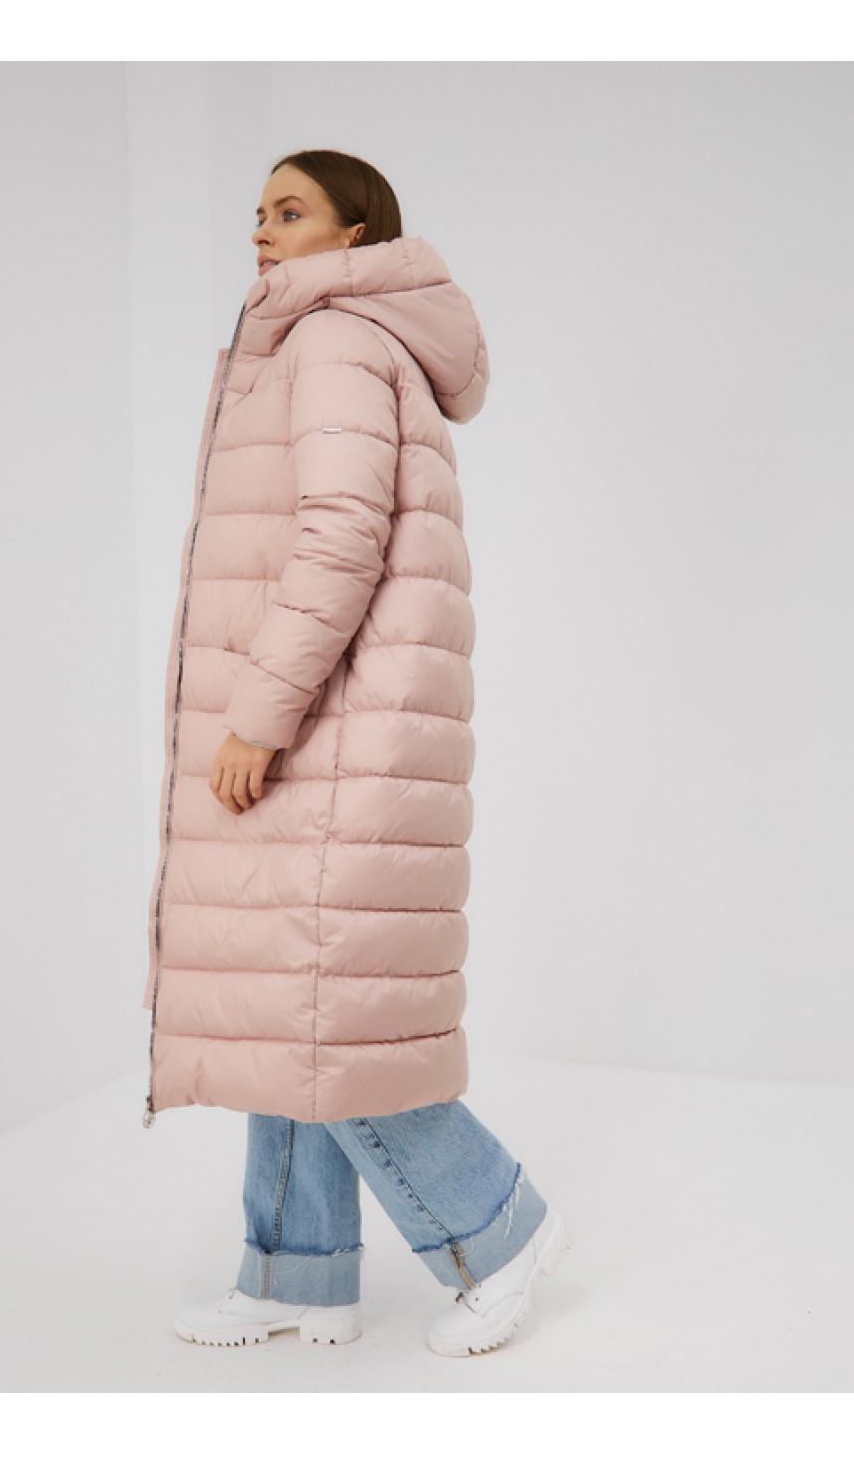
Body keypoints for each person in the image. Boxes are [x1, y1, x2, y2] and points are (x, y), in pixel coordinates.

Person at [142, 148, 572, 1356]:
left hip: (329, 738)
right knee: (295, 1006)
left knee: (326, 1019)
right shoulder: (342, 342)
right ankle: (297, 1272)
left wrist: (258, 714)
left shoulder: (332, 339)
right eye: (257, 212)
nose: (261, 232)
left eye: (289, 212)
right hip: (340, 734)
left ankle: (499, 1230)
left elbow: (340, 539)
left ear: (353, 232)